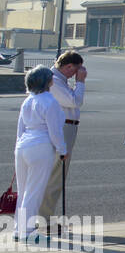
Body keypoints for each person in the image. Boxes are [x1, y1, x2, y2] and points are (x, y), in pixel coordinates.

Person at [13, 66, 66, 241]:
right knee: (35, 190)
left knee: (23, 191)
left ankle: (18, 229)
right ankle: (27, 232)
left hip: (23, 146)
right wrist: (62, 149)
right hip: (41, 147)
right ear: (47, 81)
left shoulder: (27, 100)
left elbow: (20, 129)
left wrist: (17, 148)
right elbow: (55, 131)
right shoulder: (50, 101)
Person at [38, 51, 85, 226]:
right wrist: (80, 82)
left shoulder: (59, 80)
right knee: (55, 176)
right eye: (77, 69)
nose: (78, 73)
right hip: (63, 127)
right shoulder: (54, 81)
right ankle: (44, 218)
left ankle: (44, 216)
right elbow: (75, 101)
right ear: (68, 66)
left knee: (56, 175)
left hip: (67, 127)